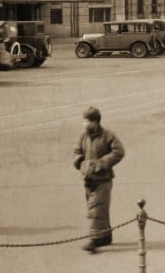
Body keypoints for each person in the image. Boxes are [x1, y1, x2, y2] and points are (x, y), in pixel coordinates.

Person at [73, 106, 125, 253]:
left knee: (96, 209)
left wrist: (102, 163)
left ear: (96, 121)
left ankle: (94, 240)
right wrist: (79, 162)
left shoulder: (107, 135)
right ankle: (105, 236)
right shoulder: (83, 137)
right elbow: (76, 152)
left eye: (87, 121)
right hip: (88, 180)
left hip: (103, 179)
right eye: (84, 121)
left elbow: (119, 151)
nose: (84, 124)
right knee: (102, 209)